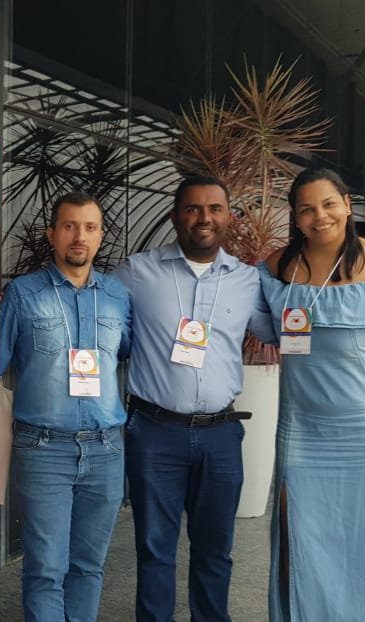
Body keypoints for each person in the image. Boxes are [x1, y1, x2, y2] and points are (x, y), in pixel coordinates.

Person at [259, 167, 365, 621]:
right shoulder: (277, 268)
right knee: (301, 539)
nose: (320, 217)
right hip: (301, 430)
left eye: (329, 204)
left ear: (347, 205)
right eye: (307, 209)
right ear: (294, 216)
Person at [111, 174, 275, 622]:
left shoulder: (248, 280)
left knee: (215, 551)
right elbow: (96, 312)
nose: (204, 217)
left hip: (221, 435)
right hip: (154, 432)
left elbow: (279, 329)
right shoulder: (137, 272)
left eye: (214, 208)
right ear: (175, 216)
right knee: (154, 550)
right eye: (193, 208)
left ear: (229, 218)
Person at [0, 190, 131, 622]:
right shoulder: (23, 294)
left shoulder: (117, 295)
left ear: (100, 236)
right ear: (52, 234)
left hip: (106, 450)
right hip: (43, 450)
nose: (79, 237)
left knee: (88, 567)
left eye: (90, 228)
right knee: (46, 571)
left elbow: (127, 352)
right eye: (70, 226)